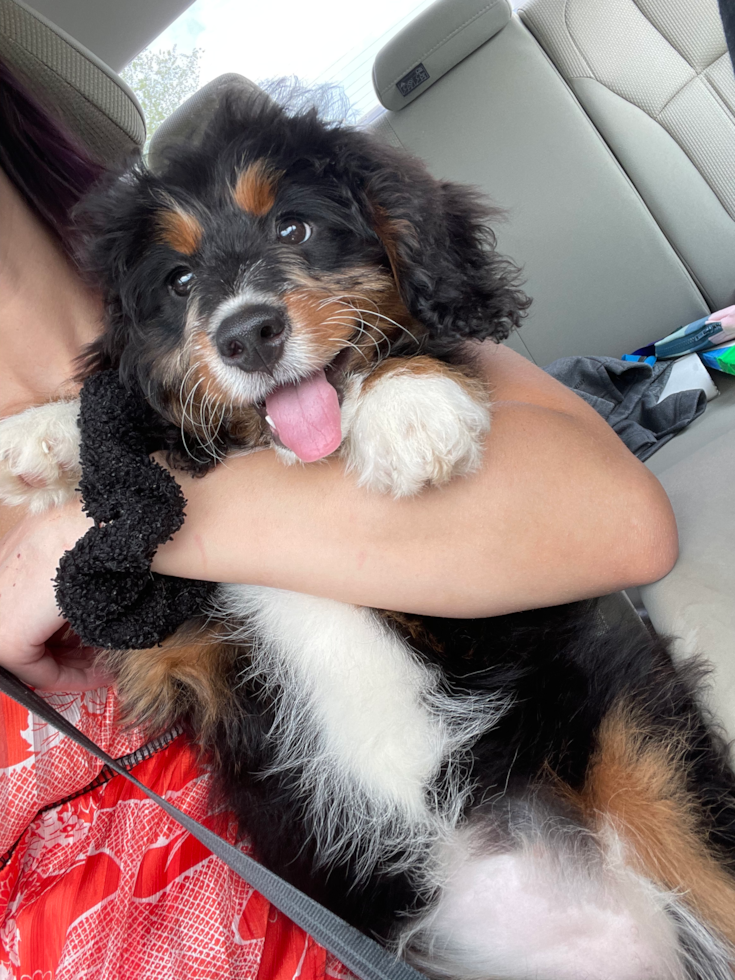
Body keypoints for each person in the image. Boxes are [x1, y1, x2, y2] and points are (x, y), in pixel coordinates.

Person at [0, 7, 678, 977]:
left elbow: (615, 521)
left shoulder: (347, 332)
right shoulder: (151, 364)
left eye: (290, 229)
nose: (233, 305)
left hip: (561, 807)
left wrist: (108, 524)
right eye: (185, 283)